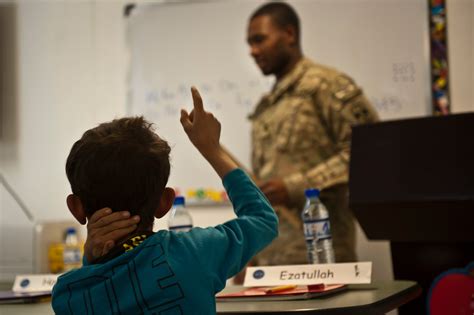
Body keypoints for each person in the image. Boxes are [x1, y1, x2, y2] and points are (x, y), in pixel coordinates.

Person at [83, 1, 379, 267]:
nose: (252, 51)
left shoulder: (326, 86)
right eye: (249, 43)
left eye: (259, 40)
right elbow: (264, 185)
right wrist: (252, 252)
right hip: (276, 254)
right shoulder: (268, 105)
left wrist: (295, 186)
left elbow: (370, 153)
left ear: (289, 34)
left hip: (321, 248)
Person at [51, 87, 278, 314]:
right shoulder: (193, 253)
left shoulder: (66, 294)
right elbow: (263, 220)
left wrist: (91, 261)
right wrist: (212, 149)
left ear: (76, 207)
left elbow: (98, 286)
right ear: (166, 202)